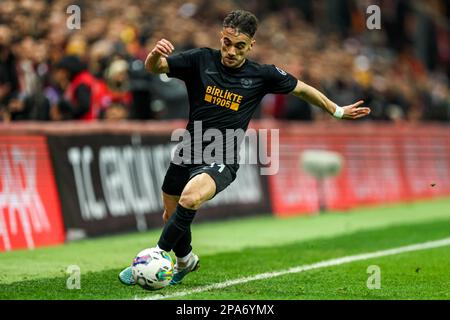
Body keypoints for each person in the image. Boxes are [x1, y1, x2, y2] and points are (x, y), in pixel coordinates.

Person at [119, 10, 370, 286]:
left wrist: (336, 111)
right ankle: (185, 260)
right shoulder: (200, 60)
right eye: (227, 42)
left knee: (189, 200)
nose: (231, 51)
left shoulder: (262, 75)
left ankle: (155, 257)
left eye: (239, 46)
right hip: (188, 150)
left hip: (222, 156)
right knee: (171, 215)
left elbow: (302, 89)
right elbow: (156, 68)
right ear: (221, 37)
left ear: (251, 45)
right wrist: (154, 54)